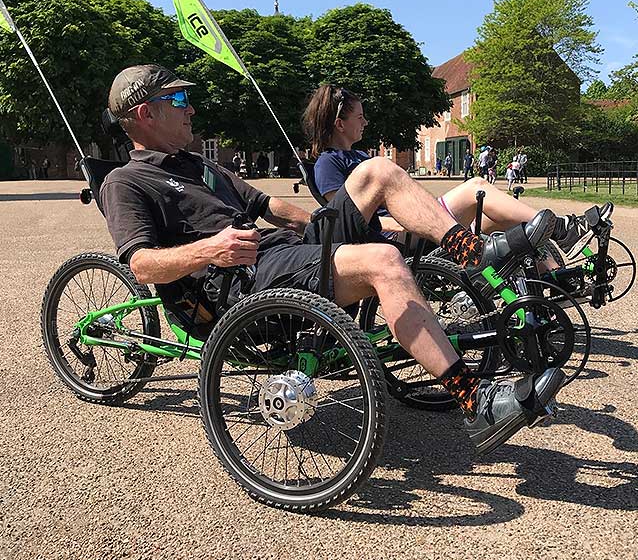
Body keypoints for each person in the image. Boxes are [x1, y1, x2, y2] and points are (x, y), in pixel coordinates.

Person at [99, 64, 564, 455]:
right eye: (179, 100)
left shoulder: (203, 166)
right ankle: (475, 402)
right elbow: (140, 265)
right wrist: (209, 249)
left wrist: (328, 222)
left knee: (377, 172)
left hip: (278, 254)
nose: (191, 108)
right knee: (382, 260)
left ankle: (475, 251)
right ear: (145, 113)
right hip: (235, 281)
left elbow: (271, 209)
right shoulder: (126, 182)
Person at [304, 85, 600, 260]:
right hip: (401, 233)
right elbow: (347, 222)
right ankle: (563, 230)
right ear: (340, 124)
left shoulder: (358, 155)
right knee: (477, 186)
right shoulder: (328, 163)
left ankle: (552, 281)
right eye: (360, 117)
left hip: (417, 223)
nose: (365, 122)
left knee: (502, 223)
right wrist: (414, 223)